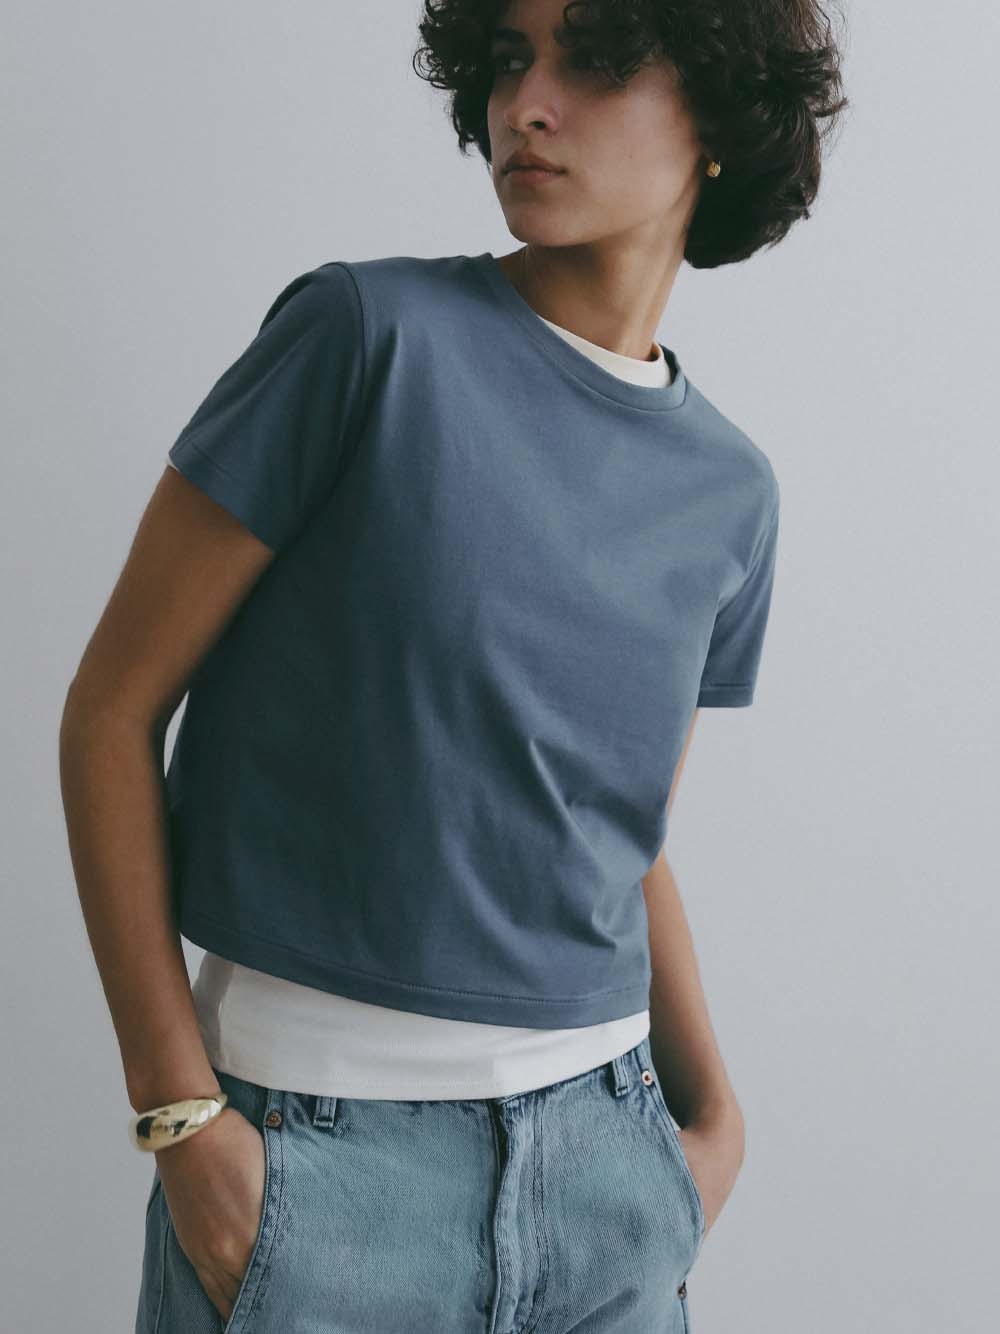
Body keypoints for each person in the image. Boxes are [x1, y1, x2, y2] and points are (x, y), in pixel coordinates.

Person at [58, 1, 847, 1330]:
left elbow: (623, 832)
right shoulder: (363, 338)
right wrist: (180, 1117)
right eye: (507, 60)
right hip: (316, 1171)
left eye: (594, 60)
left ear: (719, 112)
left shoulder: (731, 492)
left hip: (607, 1168)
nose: (526, 104)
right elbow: (110, 714)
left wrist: (711, 1121)